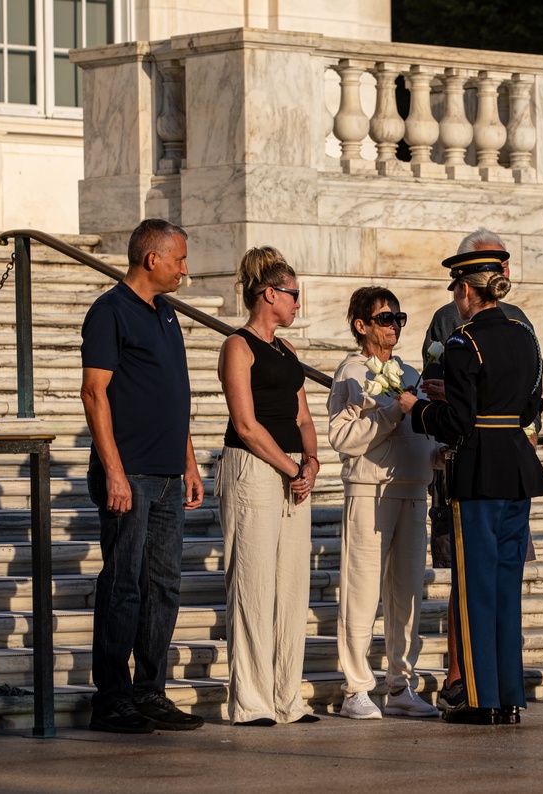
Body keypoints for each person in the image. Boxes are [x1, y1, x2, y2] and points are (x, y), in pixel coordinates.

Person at [399, 250, 543, 725]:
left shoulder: (464, 341)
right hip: (517, 468)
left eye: (457, 291)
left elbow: (459, 421)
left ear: (466, 290)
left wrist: (416, 409)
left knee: (477, 587)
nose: (457, 300)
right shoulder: (523, 337)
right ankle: (507, 696)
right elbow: (528, 408)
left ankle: (480, 698)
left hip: (480, 469)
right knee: (506, 587)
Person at [81, 218, 205, 733]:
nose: (184, 268)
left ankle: (149, 691)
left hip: (167, 473)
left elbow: (175, 393)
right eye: (179, 258)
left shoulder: (167, 314)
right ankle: (111, 698)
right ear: (151, 259)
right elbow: (94, 393)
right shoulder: (109, 312)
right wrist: (113, 471)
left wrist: (189, 461)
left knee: (164, 586)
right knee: (123, 585)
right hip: (129, 472)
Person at [216, 246, 321, 726]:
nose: (299, 303)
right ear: (269, 293)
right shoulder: (237, 345)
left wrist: (312, 462)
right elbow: (245, 423)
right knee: (253, 586)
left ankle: (286, 699)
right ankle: (251, 702)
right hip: (253, 469)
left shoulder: (288, 350)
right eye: (294, 294)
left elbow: (302, 415)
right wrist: (291, 468)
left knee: (292, 587)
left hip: (292, 471)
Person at [327, 286, 443, 720]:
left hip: (413, 489)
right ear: (362, 326)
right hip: (369, 490)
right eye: (384, 318)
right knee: (361, 592)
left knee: (407, 594)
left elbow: (422, 435)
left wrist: (438, 453)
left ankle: (400, 685)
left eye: (398, 318)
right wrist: (391, 411)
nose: (393, 325)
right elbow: (343, 438)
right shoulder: (351, 372)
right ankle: (356, 688)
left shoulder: (410, 371)